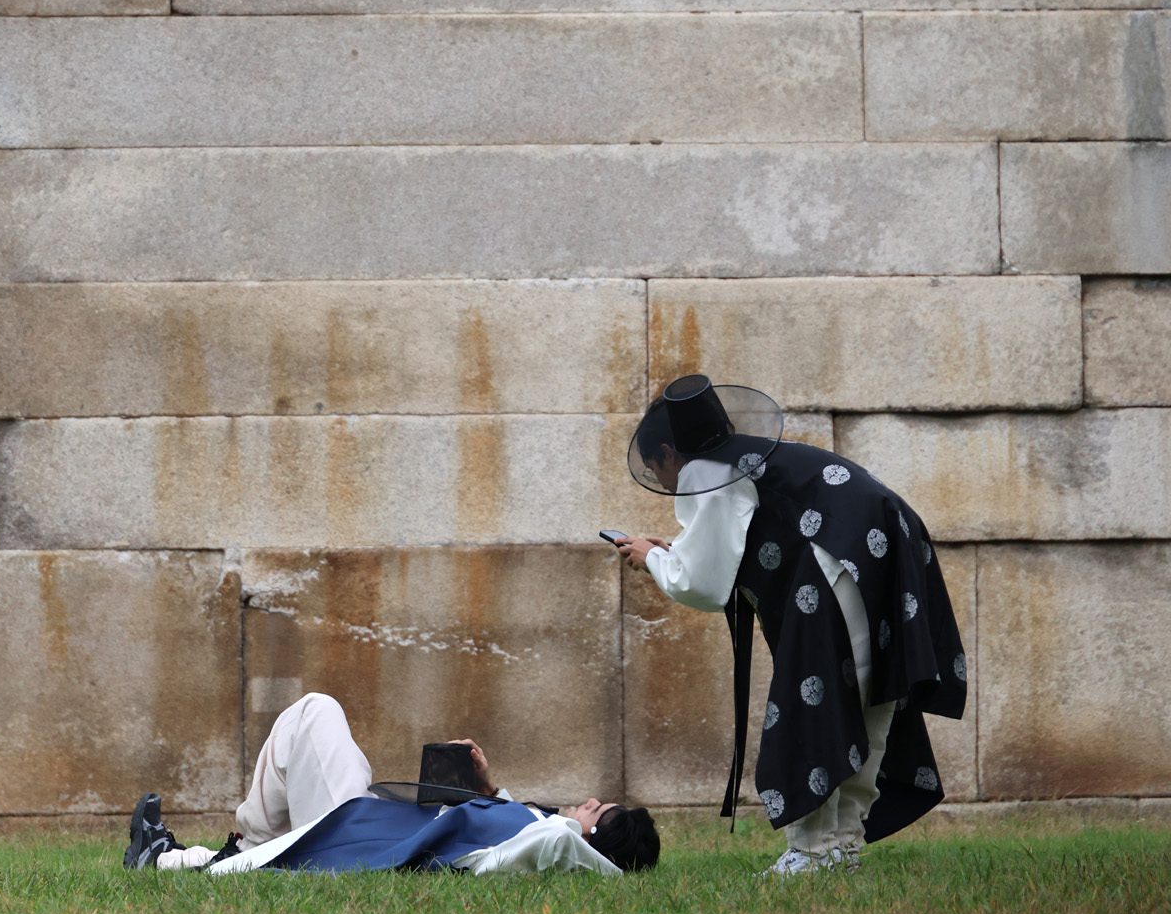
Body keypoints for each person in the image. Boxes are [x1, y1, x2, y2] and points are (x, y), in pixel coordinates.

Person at [612, 375, 966, 876]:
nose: (668, 484)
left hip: (835, 565)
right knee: (867, 703)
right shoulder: (751, 456)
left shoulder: (705, 470)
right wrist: (671, 552)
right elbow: (732, 545)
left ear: (669, 452)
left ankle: (813, 851)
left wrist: (652, 559)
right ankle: (841, 846)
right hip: (879, 557)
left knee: (814, 701)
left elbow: (703, 583)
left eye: (658, 470)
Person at [122, 691, 659, 876]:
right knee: (322, 726)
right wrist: (487, 788)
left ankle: (209, 856)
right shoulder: (534, 825)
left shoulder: (556, 840)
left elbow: (566, 850)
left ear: (595, 841)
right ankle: (206, 854)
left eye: (600, 811)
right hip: (368, 822)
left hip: (360, 837)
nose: (592, 801)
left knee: (315, 712)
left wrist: (584, 839)